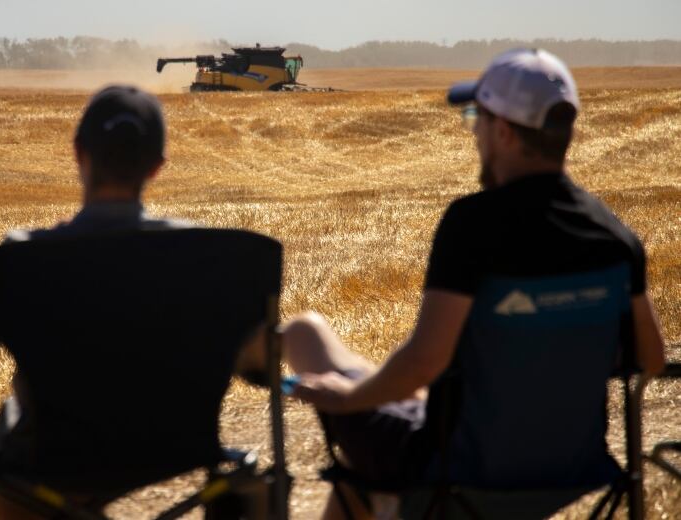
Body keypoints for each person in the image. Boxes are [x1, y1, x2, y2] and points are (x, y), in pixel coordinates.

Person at [281, 48, 667, 519]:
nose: (474, 133)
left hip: (459, 472)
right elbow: (649, 359)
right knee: (368, 473)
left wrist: (349, 399)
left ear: (503, 131)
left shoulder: (473, 226)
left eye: (475, 119)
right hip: (572, 472)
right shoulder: (615, 236)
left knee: (304, 337)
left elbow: (423, 363)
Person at [0, 85, 195, 519]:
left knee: (14, 431)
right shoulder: (205, 256)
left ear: (78, 153)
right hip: (173, 447)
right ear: (156, 167)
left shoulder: (23, 260)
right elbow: (256, 357)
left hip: (46, 454)